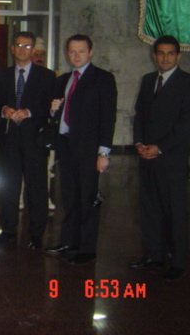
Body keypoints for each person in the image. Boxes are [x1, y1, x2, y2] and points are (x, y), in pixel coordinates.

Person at [45, 34, 117, 265]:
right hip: (65, 145)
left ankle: (87, 249)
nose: (75, 56)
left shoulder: (102, 79)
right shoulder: (63, 79)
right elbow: (57, 116)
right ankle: (69, 241)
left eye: (81, 51)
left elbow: (108, 117)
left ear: (91, 52)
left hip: (89, 148)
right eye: (72, 52)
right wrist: (53, 110)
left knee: (87, 198)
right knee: (69, 196)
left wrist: (103, 152)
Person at [131, 35, 190, 282]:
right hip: (147, 156)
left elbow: (186, 124)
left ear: (178, 56)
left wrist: (160, 147)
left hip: (172, 159)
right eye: (160, 53)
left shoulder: (186, 82)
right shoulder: (147, 81)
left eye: (170, 53)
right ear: (154, 55)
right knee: (150, 208)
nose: (165, 58)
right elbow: (140, 116)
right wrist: (139, 143)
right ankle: (155, 254)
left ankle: (178, 261)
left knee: (175, 211)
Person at [0, 32, 55, 249]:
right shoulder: (2, 75)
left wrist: (28, 112)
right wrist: (4, 109)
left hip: (35, 139)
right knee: (9, 186)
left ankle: (36, 233)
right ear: (12, 48)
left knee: (36, 188)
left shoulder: (46, 76)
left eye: (27, 46)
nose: (22, 49)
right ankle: (8, 229)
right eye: (19, 45)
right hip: (9, 139)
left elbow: (50, 106)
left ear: (33, 50)